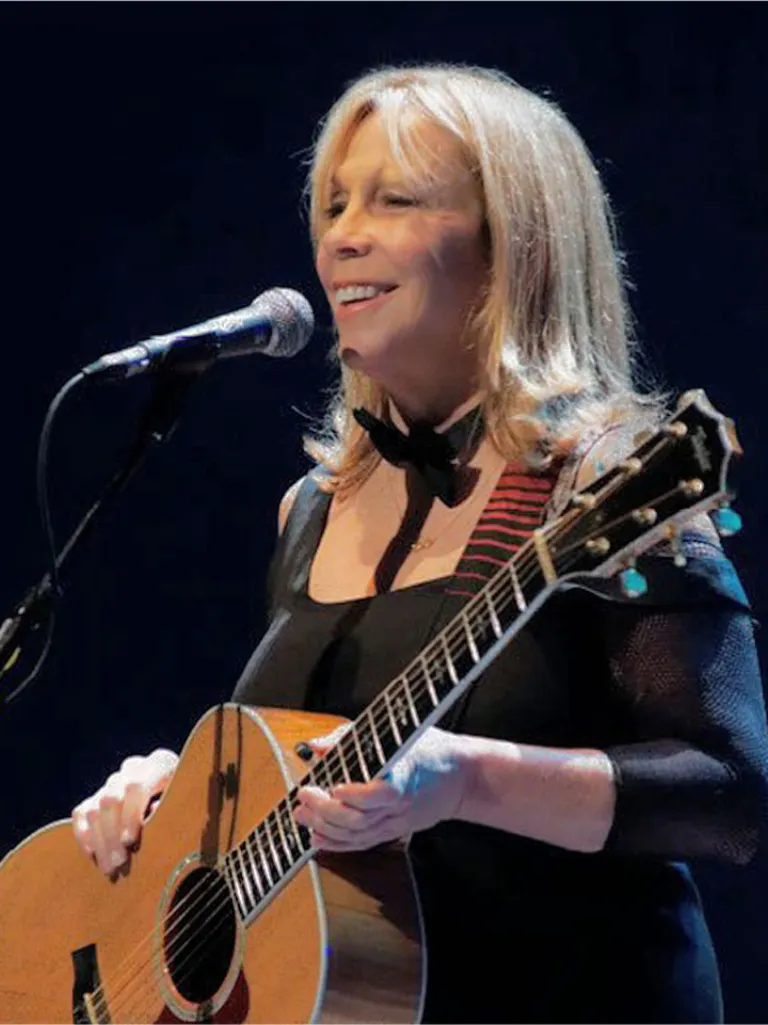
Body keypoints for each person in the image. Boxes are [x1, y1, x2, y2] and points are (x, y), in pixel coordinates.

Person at [72, 64, 768, 1023]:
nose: (341, 235)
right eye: (331, 204)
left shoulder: (609, 480)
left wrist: (462, 775)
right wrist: (180, 810)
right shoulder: (311, 508)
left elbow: (731, 797)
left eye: (395, 199)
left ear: (509, 245)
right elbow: (307, 811)